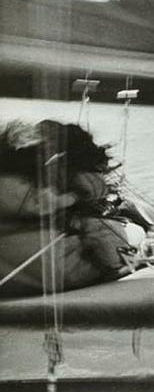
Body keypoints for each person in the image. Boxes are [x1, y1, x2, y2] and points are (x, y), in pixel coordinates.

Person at [0, 119, 143, 297]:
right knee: (128, 233)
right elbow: (114, 260)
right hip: (54, 270)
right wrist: (81, 199)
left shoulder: (15, 178)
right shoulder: (39, 194)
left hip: (14, 266)